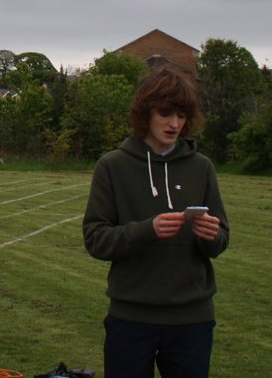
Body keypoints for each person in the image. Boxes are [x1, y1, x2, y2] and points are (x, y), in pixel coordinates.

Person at [82, 67, 230, 378]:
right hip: (131, 318)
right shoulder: (112, 165)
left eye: (182, 115)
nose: (175, 124)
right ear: (145, 112)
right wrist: (147, 230)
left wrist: (211, 235)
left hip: (192, 319)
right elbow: (95, 239)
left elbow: (221, 240)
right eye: (165, 113)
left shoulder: (202, 167)